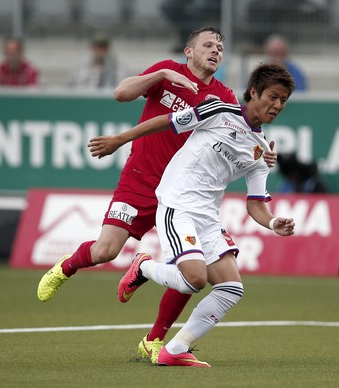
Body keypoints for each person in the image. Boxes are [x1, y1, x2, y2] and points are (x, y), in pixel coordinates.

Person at [37, 26, 278, 364]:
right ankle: (68, 267)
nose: (215, 51)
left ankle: (155, 340)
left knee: (195, 269)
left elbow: (241, 133)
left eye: (220, 47)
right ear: (189, 51)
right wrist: (161, 74)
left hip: (184, 193)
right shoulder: (167, 72)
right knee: (106, 250)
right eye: (207, 45)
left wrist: (263, 153)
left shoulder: (222, 97)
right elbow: (121, 93)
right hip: (140, 181)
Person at [88, 62, 296, 367]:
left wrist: (275, 222)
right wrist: (120, 140)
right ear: (254, 92)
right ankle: (144, 267)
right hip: (177, 204)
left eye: (283, 101)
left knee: (231, 288)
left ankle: (174, 349)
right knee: (196, 279)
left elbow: (256, 204)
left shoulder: (260, 149)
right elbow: (165, 122)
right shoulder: (219, 111)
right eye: (273, 97)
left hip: (207, 217)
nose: (277, 105)